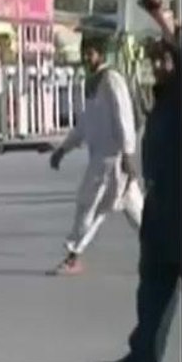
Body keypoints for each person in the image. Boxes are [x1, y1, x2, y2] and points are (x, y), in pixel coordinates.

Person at [98, 0, 182, 362]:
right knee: (152, 284)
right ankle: (144, 353)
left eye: (164, 59)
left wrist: (159, 12)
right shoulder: (164, 98)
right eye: (154, 60)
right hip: (162, 204)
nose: (157, 66)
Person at [47, 31, 144, 276]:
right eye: (84, 53)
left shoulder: (112, 79)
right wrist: (63, 149)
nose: (85, 58)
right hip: (102, 161)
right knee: (128, 213)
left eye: (89, 53)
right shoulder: (93, 83)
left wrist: (128, 155)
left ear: (101, 54)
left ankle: (73, 257)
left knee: (90, 207)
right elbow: (84, 126)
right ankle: (169, 251)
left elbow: (125, 117)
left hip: (114, 162)